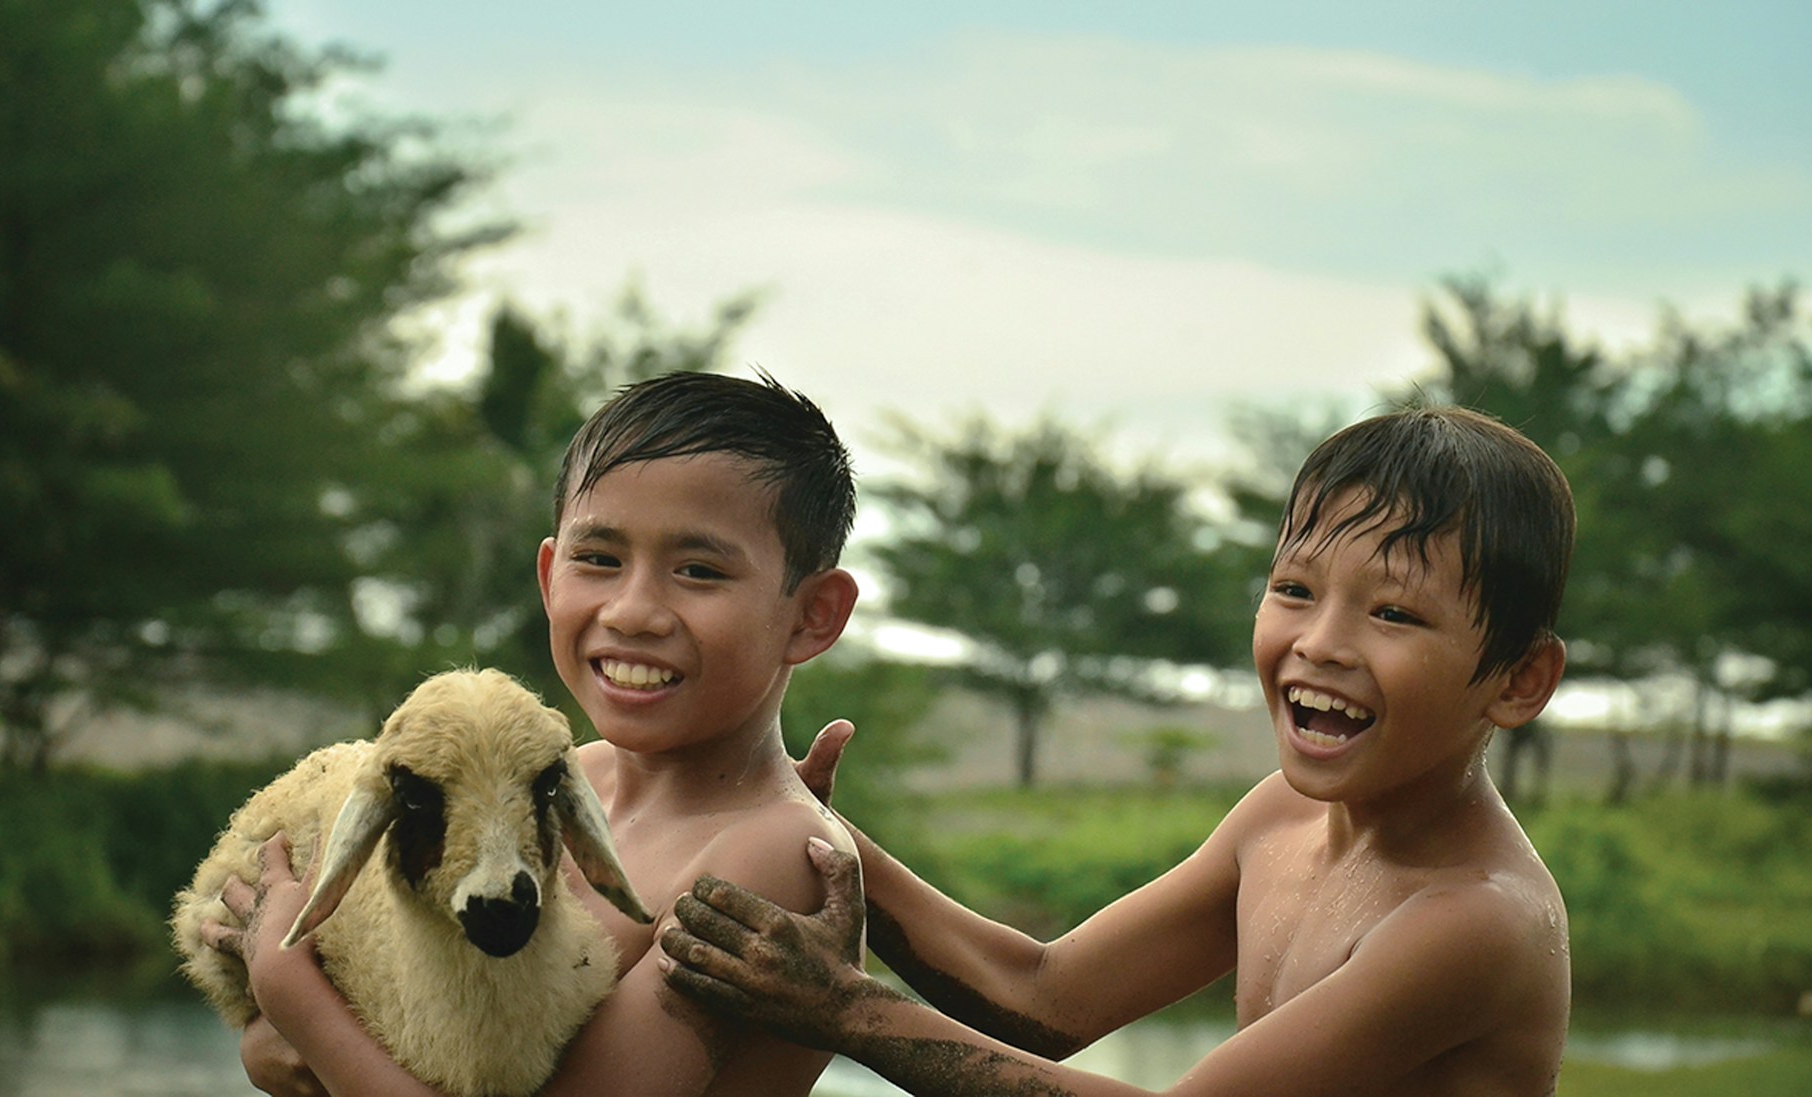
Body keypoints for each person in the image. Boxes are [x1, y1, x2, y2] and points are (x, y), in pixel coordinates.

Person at [660, 404, 1576, 1096]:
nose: (1322, 642)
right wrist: (821, 832)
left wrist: (845, 1008)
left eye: (1394, 612)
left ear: (1519, 679)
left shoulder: (1476, 921)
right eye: (1295, 588)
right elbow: (1046, 996)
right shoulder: (1284, 816)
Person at [205, 370, 863, 1097]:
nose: (632, 610)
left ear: (814, 614)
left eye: (699, 570)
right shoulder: (551, 785)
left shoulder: (770, 853)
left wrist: (293, 995)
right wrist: (279, 1038)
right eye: (600, 559)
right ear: (550, 577)